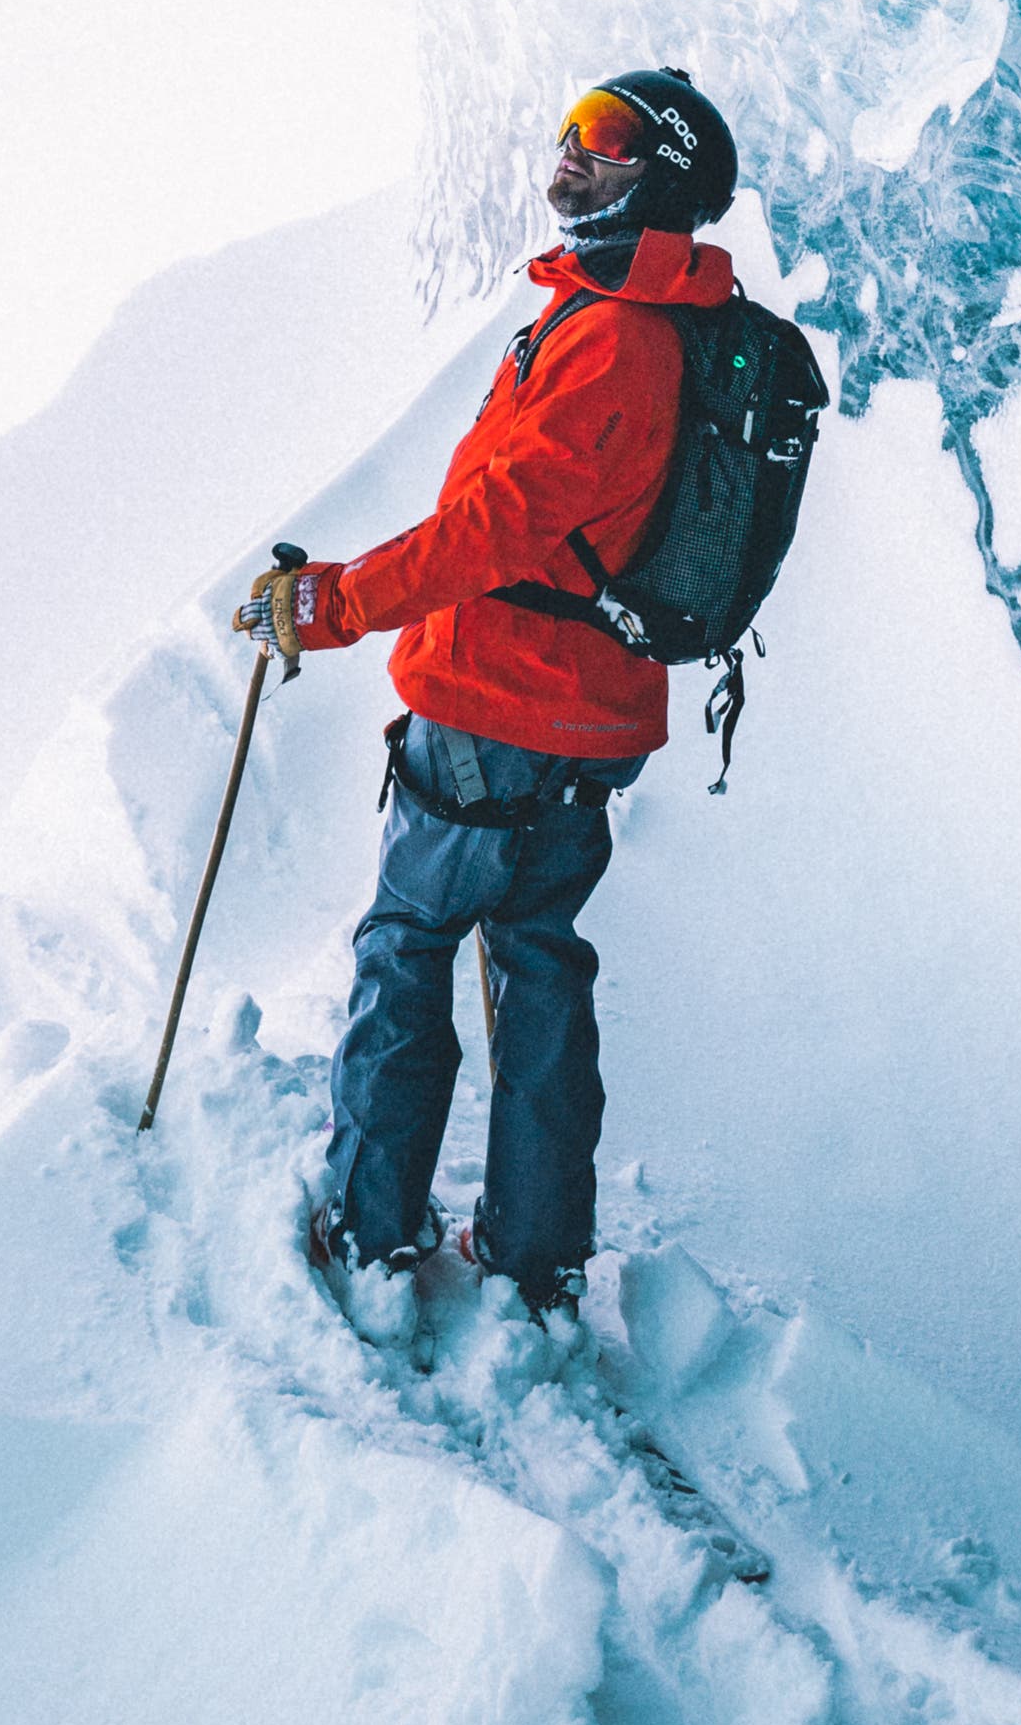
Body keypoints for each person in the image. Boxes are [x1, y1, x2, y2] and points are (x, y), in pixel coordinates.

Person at [245, 66, 742, 1315]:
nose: (570, 157)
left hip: (496, 708)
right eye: (573, 130)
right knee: (537, 964)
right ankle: (533, 1254)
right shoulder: (649, 323)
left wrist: (337, 602)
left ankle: (371, 1230)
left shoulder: (614, 343)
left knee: (409, 953)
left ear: (661, 181)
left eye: (610, 142)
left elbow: (499, 529)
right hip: (591, 715)